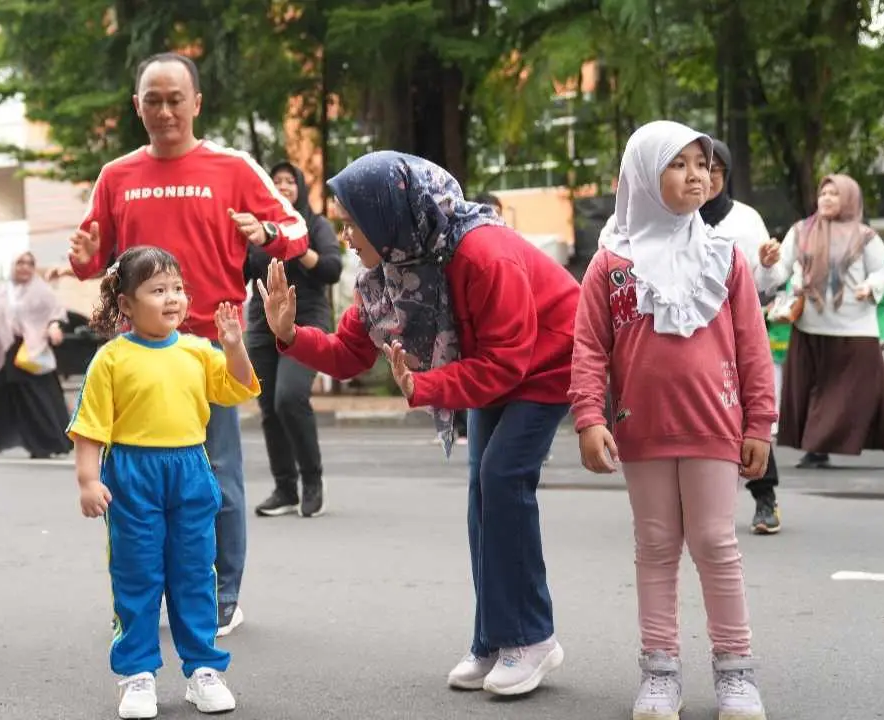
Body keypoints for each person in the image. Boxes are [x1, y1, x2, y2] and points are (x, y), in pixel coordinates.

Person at [260, 151, 578, 697]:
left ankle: (533, 638)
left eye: (351, 222)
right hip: (497, 366)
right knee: (483, 488)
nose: (345, 234)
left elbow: (509, 362)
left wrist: (424, 386)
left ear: (388, 215)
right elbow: (347, 353)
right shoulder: (390, 271)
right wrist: (289, 336)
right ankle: (495, 638)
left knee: (502, 479)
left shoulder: (484, 254)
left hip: (549, 361)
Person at [60, 52, 309, 636]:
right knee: (137, 479)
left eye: (176, 99)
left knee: (215, 475)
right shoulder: (116, 175)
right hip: (139, 356)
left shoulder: (233, 167)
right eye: (153, 100)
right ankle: (149, 592)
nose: (165, 110)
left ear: (197, 103)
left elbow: (295, 230)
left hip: (207, 348)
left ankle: (221, 596)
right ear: (137, 106)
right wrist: (82, 260)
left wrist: (267, 232)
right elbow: (96, 256)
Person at [569, 121, 774, 720]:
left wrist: (759, 423)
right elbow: (587, 349)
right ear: (641, 175)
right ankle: (659, 672)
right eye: (679, 163)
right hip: (642, 430)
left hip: (716, 425)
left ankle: (736, 672)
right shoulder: (610, 265)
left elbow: (753, 348)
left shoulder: (725, 258)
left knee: (715, 542)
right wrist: (588, 416)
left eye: (703, 164)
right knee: (656, 545)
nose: (697, 175)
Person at [68, 246, 260, 719]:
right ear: (127, 305)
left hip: (191, 471)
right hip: (132, 475)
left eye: (177, 288)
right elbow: (89, 427)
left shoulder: (198, 350)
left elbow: (237, 388)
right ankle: (137, 675)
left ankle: (203, 671)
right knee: (136, 577)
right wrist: (88, 481)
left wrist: (234, 346)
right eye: (157, 290)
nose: (172, 298)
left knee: (196, 574)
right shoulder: (111, 359)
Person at [754, 174, 884, 470]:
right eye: (823, 193)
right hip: (811, 327)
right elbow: (781, 272)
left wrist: (870, 286)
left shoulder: (866, 236)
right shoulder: (801, 232)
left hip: (857, 328)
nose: (826, 198)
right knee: (815, 389)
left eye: (834, 194)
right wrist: (767, 264)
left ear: (850, 199)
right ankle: (816, 449)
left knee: (874, 392)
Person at [245, 160, 341, 518]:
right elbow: (239, 270)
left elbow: (332, 270)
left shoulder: (314, 225)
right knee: (269, 406)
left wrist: (297, 247)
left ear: (299, 187)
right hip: (261, 323)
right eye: (276, 181)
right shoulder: (259, 230)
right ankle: (285, 489)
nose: (283, 186)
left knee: (289, 397)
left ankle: (312, 481)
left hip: (306, 320)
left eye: (289, 181)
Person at [700, 139, 783, 535]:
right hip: (694, 337)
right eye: (700, 168)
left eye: (715, 171)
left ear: (725, 176)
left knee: (750, 413)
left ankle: (764, 497)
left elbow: (769, 283)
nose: (706, 178)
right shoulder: (673, 217)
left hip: (739, 330)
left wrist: (767, 266)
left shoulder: (746, 220)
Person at [0, 251, 73, 460]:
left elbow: (56, 313)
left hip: (30, 349)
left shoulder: (41, 290)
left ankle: (48, 443)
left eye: (30, 263)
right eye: (20, 262)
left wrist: (54, 327)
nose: (25, 267)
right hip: (3, 350)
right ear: (12, 265)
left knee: (37, 397)